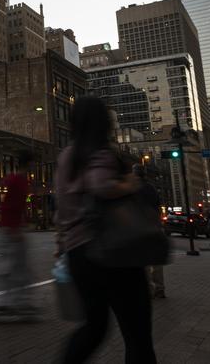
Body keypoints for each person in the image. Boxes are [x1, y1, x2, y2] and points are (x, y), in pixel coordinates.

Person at [55, 96, 157, 363]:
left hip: (78, 254)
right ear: (104, 122)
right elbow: (101, 185)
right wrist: (131, 184)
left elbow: (62, 209)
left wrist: (61, 243)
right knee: (137, 333)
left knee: (94, 327)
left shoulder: (66, 157)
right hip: (113, 253)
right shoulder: (101, 152)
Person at [0, 149, 35, 314]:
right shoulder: (19, 181)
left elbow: (11, 205)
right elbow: (11, 206)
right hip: (11, 229)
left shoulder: (14, 180)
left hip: (8, 228)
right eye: (32, 163)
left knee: (11, 266)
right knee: (15, 267)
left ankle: (10, 301)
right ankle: (14, 302)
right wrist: (15, 229)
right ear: (28, 163)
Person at [135, 164, 166, 299]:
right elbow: (158, 207)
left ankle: (148, 290)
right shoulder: (151, 188)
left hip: (140, 229)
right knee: (156, 262)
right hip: (155, 228)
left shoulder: (133, 189)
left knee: (144, 262)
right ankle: (160, 289)